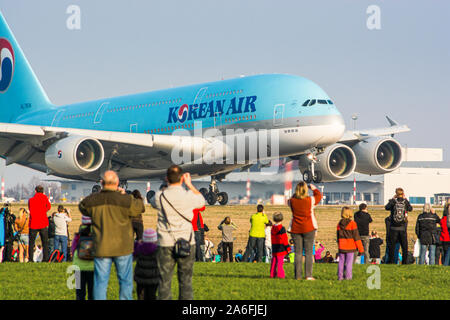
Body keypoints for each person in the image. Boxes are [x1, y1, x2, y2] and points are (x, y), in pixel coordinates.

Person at [79, 170, 145, 300]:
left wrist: (99, 194)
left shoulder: (95, 200)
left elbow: (82, 206)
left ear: (102, 183)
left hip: (102, 246)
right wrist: (125, 194)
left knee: (100, 282)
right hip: (123, 247)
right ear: (117, 183)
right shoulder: (125, 200)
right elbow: (140, 207)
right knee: (125, 281)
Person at [151, 165, 205, 300]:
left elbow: (152, 202)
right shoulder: (188, 196)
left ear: (166, 178)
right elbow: (201, 201)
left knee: (164, 282)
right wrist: (190, 184)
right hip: (186, 241)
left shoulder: (160, 196)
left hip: (165, 242)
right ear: (182, 179)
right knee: (186, 282)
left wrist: (165, 186)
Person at [288, 182, 322, 280]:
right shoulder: (310, 200)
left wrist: (297, 193)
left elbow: (291, 199)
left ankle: (297, 276)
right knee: (308, 253)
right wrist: (314, 188)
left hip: (295, 229)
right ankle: (308, 275)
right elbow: (319, 196)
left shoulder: (292, 201)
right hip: (308, 228)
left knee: (298, 253)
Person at [384, 187, 412, 265]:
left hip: (393, 227)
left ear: (396, 193)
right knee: (404, 246)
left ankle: (392, 261)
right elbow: (410, 208)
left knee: (392, 246)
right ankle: (404, 262)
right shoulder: (405, 201)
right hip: (402, 227)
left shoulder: (393, 201)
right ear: (403, 193)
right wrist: (406, 199)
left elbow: (386, 207)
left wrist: (392, 199)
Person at [337, 207, 364, 280]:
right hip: (350, 247)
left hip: (341, 246)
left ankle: (340, 277)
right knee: (349, 263)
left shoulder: (339, 224)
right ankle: (348, 277)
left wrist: (338, 246)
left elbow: (338, 237)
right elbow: (357, 237)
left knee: (341, 262)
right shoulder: (352, 223)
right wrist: (361, 249)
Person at [71, 215, 95, 300]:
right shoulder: (97, 233)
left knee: (79, 293)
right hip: (93, 267)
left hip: (78, 267)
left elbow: (73, 249)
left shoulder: (78, 234)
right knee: (92, 293)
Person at [134, 228, 160, 300]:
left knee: (141, 295)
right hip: (153, 278)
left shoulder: (139, 247)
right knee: (152, 295)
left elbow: (134, 251)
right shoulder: (157, 249)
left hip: (141, 277)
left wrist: (137, 242)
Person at [28, 185, 51, 263]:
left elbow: (30, 209)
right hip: (43, 223)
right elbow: (49, 207)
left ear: (35, 191)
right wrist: (43, 211)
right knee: (45, 242)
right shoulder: (45, 198)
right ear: (43, 191)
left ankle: (30, 259)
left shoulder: (31, 200)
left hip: (33, 223)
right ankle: (45, 259)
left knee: (31, 242)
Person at [270, 212, 291, 279]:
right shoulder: (282, 228)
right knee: (280, 262)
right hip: (280, 247)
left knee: (273, 261)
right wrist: (287, 247)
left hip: (274, 246)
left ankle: (272, 274)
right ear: (282, 219)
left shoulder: (273, 228)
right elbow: (284, 239)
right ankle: (280, 275)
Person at [439, 201, 450, 266]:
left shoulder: (443, 219)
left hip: (444, 238)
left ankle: (445, 263)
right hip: (446, 238)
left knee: (445, 252)